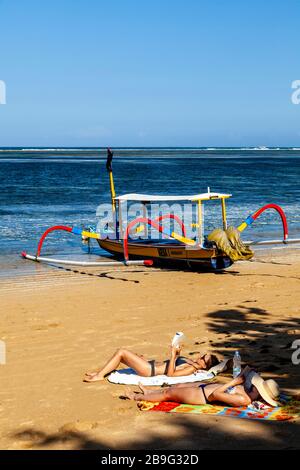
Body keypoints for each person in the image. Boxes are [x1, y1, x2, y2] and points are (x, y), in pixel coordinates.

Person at [125, 366, 280, 408]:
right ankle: (149, 392)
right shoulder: (248, 391)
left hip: (202, 396)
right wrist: (248, 372)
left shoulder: (243, 399)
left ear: (259, 393)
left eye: (257, 386)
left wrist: (233, 383)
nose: (253, 384)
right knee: (178, 384)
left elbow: (216, 395)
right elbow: (246, 370)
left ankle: (137, 396)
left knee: (168, 393)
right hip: (204, 387)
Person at [84, 345, 219, 382]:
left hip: (149, 371)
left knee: (121, 352)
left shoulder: (190, 368)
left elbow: (171, 374)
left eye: (203, 359)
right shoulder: (191, 362)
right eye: (203, 355)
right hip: (150, 364)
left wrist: (173, 356)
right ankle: (101, 372)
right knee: (126, 356)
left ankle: (100, 376)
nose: (200, 357)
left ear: (205, 366)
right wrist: (177, 354)